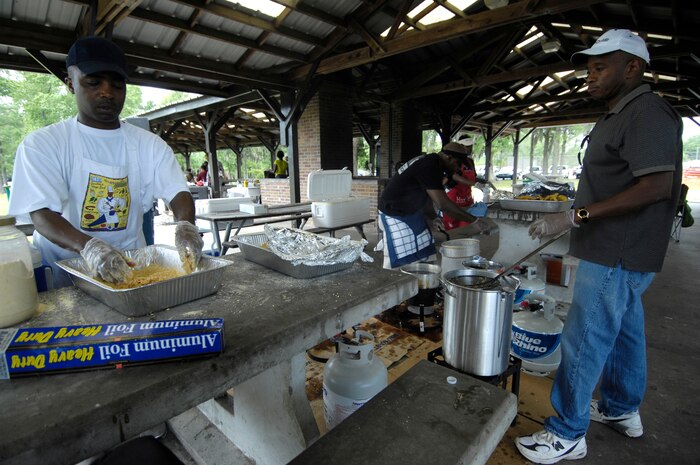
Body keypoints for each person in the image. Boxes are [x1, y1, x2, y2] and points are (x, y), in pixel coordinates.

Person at [515, 29, 683, 464]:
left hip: (617, 252)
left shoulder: (647, 113)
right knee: (624, 334)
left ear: (632, 67)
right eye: (589, 66)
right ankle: (621, 408)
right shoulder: (618, 113)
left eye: (600, 66)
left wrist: (575, 216)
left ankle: (567, 431)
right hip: (615, 251)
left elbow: (656, 187)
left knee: (584, 338)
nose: (590, 74)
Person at [8, 36, 203, 288]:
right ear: (70, 84)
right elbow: (42, 215)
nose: (107, 92)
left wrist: (185, 225)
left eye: (117, 85)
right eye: (93, 82)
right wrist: (89, 247)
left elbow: (178, 193)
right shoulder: (44, 144)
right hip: (65, 274)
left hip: (132, 273)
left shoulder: (148, 144)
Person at [376, 142, 492, 269]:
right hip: (394, 214)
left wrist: (433, 217)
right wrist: (474, 221)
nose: (458, 168)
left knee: (424, 250)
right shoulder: (429, 165)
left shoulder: (434, 164)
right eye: (458, 163)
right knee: (401, 259)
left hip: (412, 213)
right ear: (449, 158)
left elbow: (425, 195)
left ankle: (420, 282)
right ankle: (394, 284)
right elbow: (444, 205)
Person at [440, 138, 494, 231]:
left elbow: (473, 177)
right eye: (466, 146)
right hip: (454, 197)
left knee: (467, 227)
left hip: (467, 198)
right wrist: (475, 184)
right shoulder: (454, 160)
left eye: (471, 146)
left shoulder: (470, 161)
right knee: (453, 228)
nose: (469, 149)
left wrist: (484, 182)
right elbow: (455, 176)